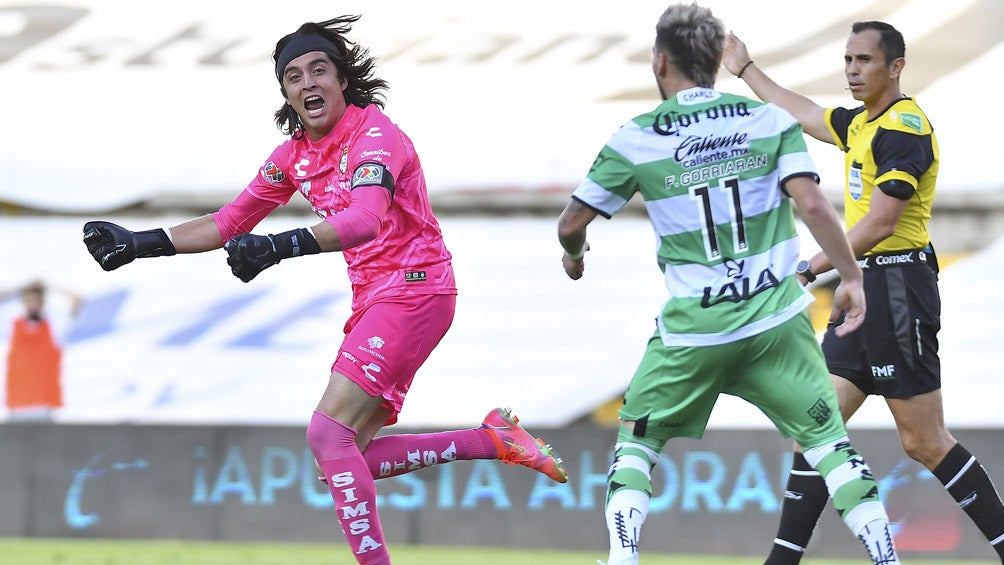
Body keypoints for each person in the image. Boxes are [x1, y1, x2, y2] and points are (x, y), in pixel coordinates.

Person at [82, 15, 566, 564]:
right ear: (285, 92)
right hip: (379, 300)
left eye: (319, 70)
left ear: (342, 80)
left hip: (414, 290)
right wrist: (143, 241)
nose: (308, 82)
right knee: (343, 454)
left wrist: (277, 247)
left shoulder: (376, 135)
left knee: (326, 434)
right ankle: (494, 440)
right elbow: (228, 222)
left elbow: (363, 220)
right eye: (294, 76)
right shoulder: (292, 155)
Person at [558, 5, 903, 565]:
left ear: (660, 60)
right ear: (716, 61)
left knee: (637, 444)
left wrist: (575, 258)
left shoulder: (636, 137)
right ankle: (888, 559)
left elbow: (572, 223)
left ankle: (622, 558)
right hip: (776, 321)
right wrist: (852, 277)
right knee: (830, 446)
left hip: (694, 330)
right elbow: (812, 203)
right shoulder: (768, 121)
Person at [722, 21, 1004, 565]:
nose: (852, 70)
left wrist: (811, 267)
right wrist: (746, 70)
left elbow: (881, 221)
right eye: (848, 60)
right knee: (817, 425)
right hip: (865, 286)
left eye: (864, 61)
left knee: (924, 441)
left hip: (898, 286)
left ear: (895, 67)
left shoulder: (905, 128)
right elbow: (801, 111)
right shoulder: (861, 124)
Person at [3, 281, 81, 422]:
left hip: (44, 406)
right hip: (17, 405)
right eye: (29, 300)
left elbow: (77, 300)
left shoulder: (55, 328)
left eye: (36, 300)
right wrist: (20, 287)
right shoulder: (11, 327)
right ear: (23, 302)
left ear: (42, 302)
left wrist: (49, 285)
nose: (32, 305)